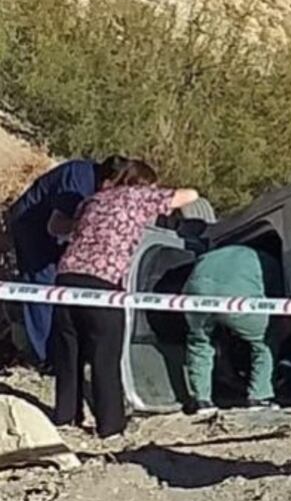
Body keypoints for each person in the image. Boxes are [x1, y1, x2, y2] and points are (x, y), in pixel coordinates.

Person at [51, 160, 199, 438]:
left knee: (68, 354)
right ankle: (110, 426)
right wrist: (160, 199)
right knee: (104, 357)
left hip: (65, 279)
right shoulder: (138, 196)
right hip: (102, 284)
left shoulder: (91, 201)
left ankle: (64, 417)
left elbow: (61, 228)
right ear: (143, 183)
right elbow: (190, 195)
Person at [6, 155, 129, 369]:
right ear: (109, 181)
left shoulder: (97, 183)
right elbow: (56, 225)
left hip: (57, 235)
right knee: (42, 287)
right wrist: (92, 226)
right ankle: (44, 357)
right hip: (33, 227)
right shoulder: (77, 179)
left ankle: (63, 350)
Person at [182, 245, 281, 414]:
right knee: (263, 342)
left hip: (196, 293)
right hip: (237, 297)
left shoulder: (212, 255)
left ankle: (202, 400)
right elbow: (278, 302)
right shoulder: (268, 262)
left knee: (199, 342)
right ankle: (259, 396)